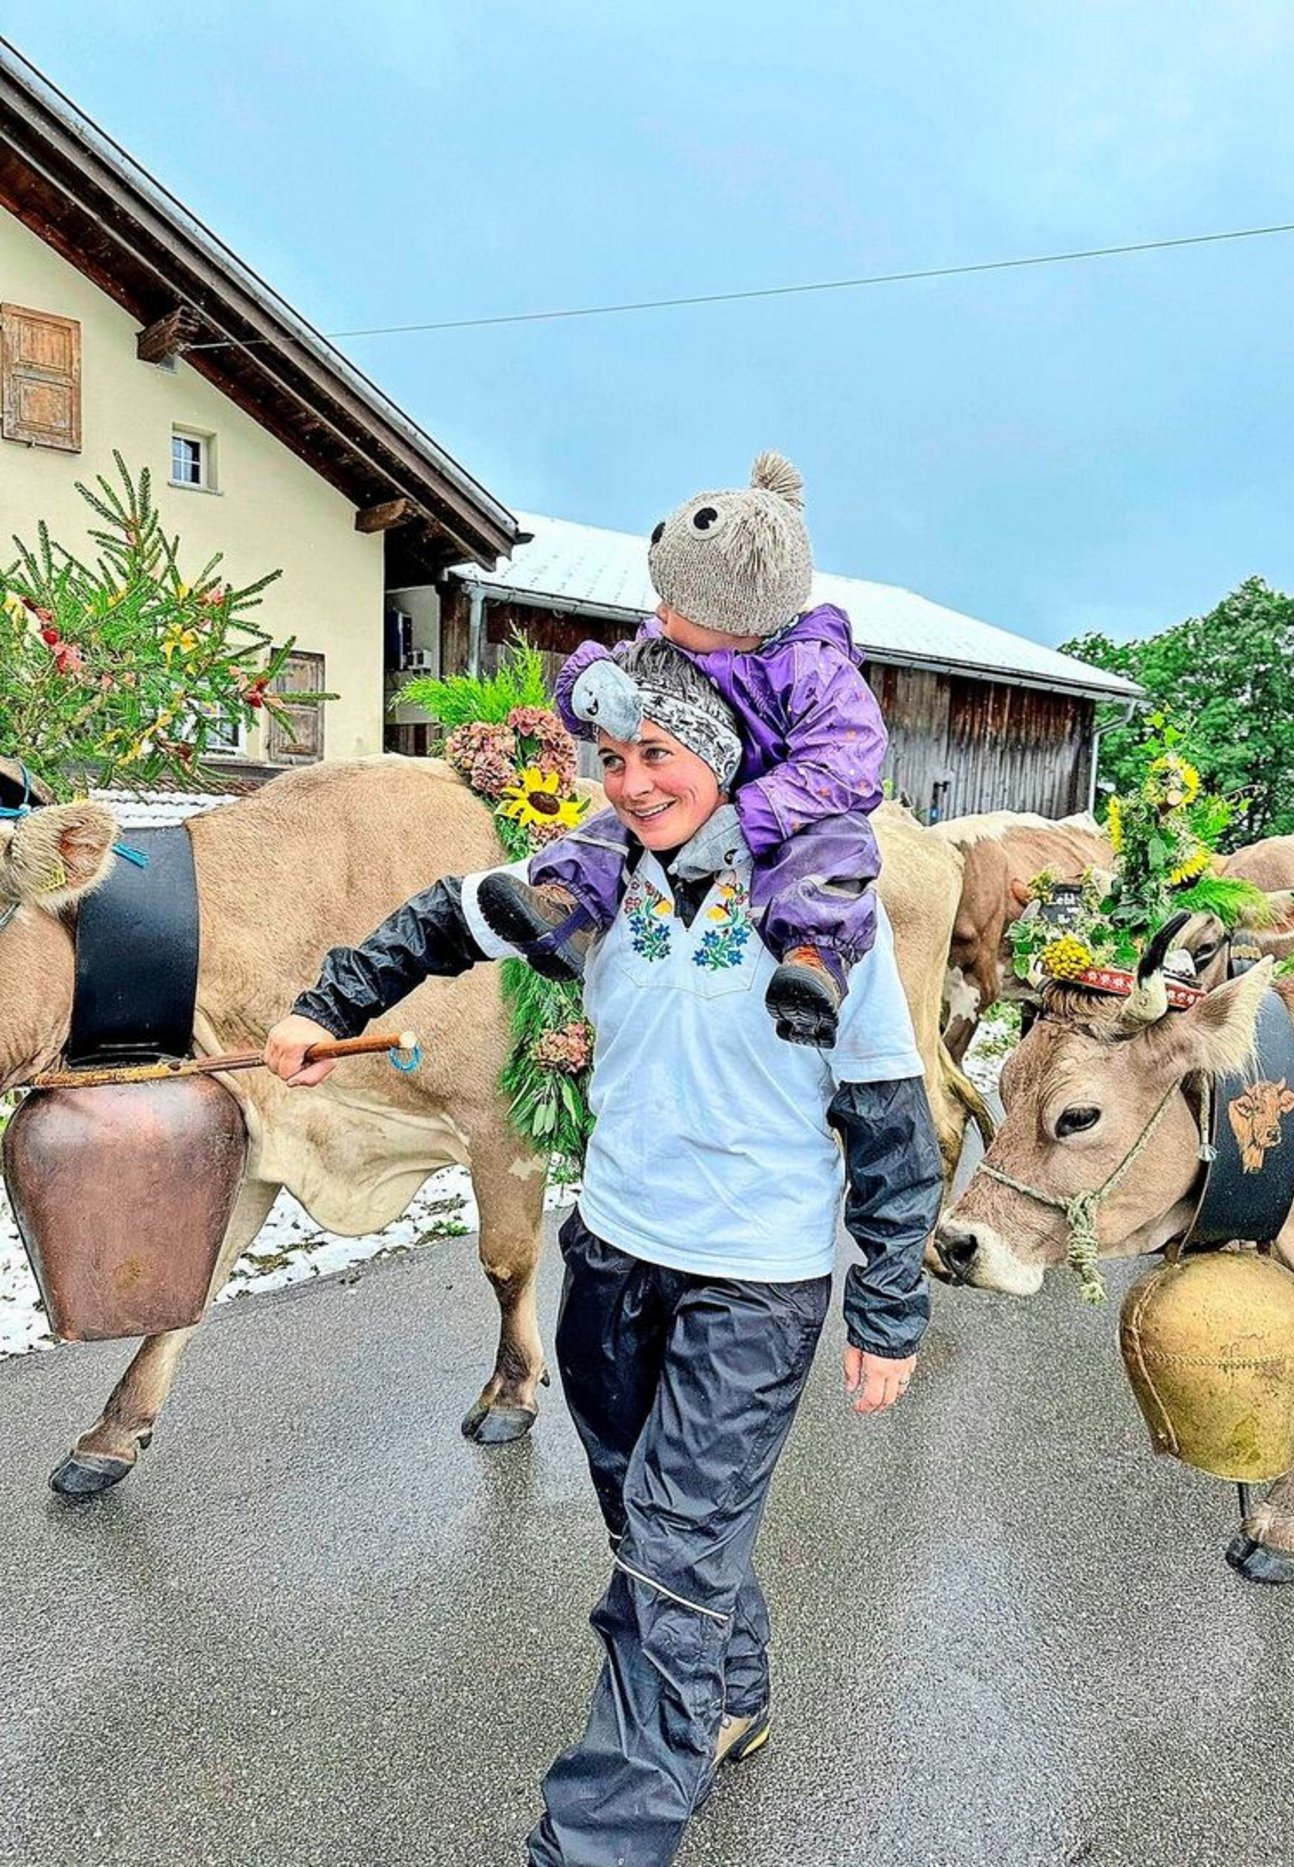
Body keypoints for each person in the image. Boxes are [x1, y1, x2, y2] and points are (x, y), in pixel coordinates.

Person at [264, 639, 941, 1867]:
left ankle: (596, 1839)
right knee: (649, 1516)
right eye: (614, 757)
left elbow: (888, 1112)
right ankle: (728, 1694)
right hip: (614, 1257)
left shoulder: (826, 922)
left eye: (659, 755)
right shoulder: (595, 890)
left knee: (674, 1559)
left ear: (724, 760)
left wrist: (887, 1305)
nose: (630, 782)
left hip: (756, 1280)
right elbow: (444, 918)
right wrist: (328, 1009)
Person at [476, 451, 889, 1049]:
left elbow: (847, 761)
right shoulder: (668, 645)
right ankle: (563, 911)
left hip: (793, 809)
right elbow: (609, 674)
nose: (659, 613)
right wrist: (588, 685)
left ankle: (813, 960)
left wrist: (751, 818)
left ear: (740, 616)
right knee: (608, 831)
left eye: (676, 605)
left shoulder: (812, 669)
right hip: (692, 798)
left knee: (837, 849)